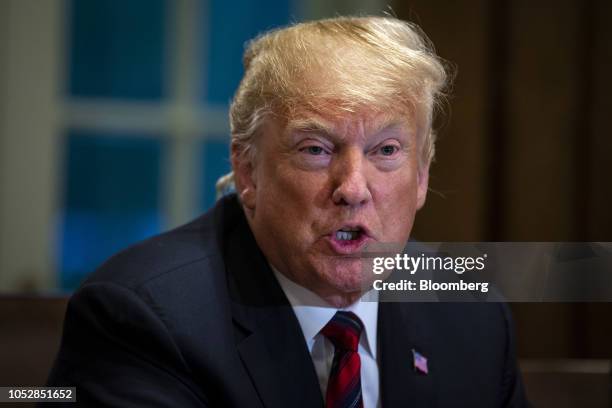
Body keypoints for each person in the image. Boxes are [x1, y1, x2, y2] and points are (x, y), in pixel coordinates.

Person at [47, 16, 529, 407]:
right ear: (248, 172)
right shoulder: (142, 318)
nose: (354, 188)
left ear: (421, 176)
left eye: (386, 151)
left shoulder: (469, 312)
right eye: (317, 149)